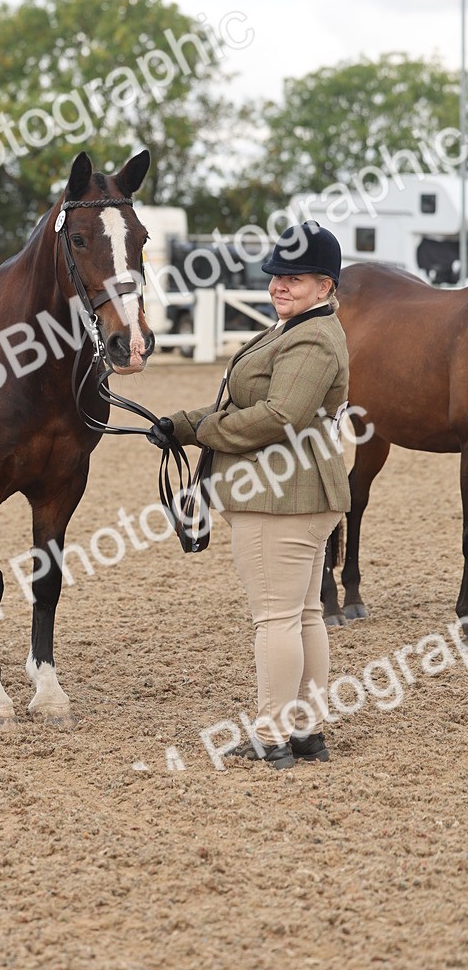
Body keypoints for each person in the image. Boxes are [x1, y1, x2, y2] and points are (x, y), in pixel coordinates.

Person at [149, 221, 350, 770]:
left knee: (276, 619)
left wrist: (202, 432)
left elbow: (281, 415)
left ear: (325, 287)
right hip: (297, 491)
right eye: (277, 276)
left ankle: (271, 732)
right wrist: (182, 424)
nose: (280, 286)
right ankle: (305, 728)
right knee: (304, 614)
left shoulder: (311, 337)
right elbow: (246, 402)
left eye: (296, 278)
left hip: (282, 495)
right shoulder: (292, 328)